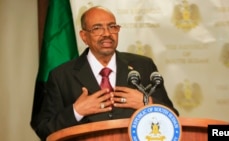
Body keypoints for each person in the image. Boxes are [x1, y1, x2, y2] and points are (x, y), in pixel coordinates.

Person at [32, 6, 179, 140]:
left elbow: (173, 116)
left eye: (112, 26)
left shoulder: (143, 66)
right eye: (97, 28)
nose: (107, 33)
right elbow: (44, 129)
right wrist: (76, 111)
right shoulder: (61, 76)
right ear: (84, 36)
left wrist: (147, 103)